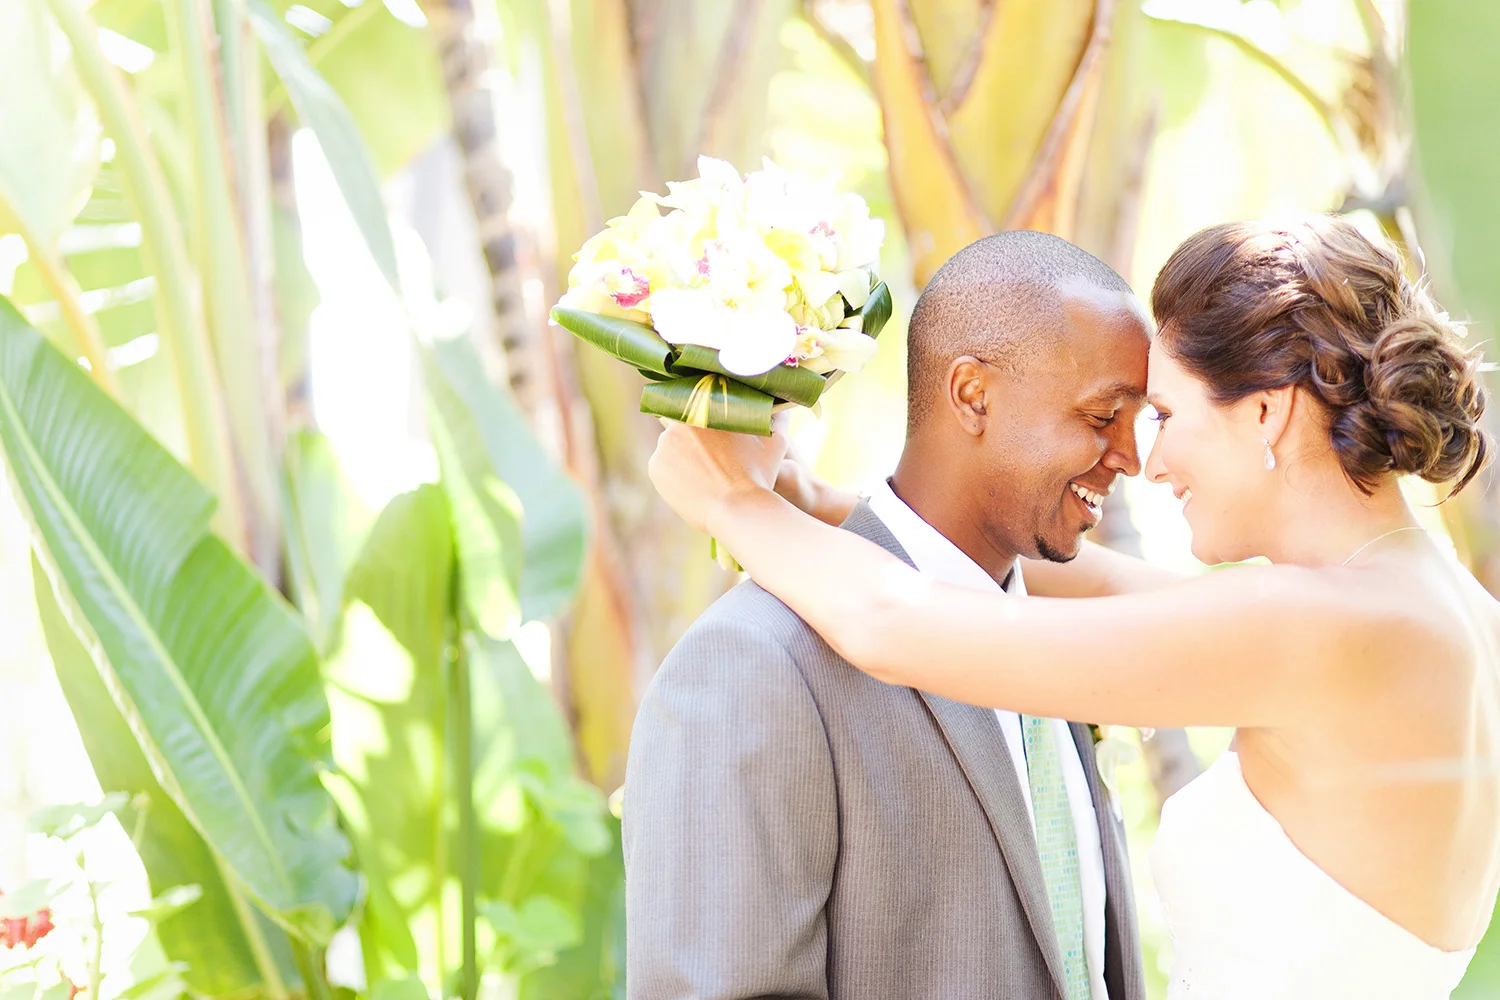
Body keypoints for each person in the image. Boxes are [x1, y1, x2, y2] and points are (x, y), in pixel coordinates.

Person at [646, 215, 1500, 999]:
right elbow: (1106, 587)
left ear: (1269, 412)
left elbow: (892, 623)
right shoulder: (1442, 613)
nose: (1148, 462)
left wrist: (731, 503)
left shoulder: (1308, 629)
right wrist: (821, 500)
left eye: (1163, 415)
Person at [623, 231, 1156, 1000]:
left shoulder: (1057, 649)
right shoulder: (754, 662)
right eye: (1104, 414)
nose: (1131, 457)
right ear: (973, 394)